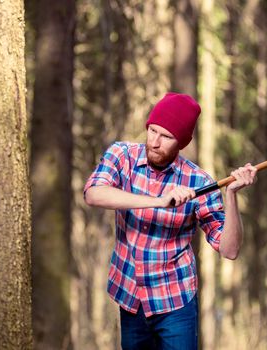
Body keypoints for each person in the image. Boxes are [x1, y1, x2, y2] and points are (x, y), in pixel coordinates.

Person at [83, 92, 257, 350]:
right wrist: (158, 200)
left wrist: (231, 196)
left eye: (166, 137)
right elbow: (93, 194)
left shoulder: (199, 181)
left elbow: (229, 249)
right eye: (152, 130)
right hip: (131, 296)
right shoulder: (122, 155)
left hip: (174, 300)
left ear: (182, 143)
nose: (154, 142)